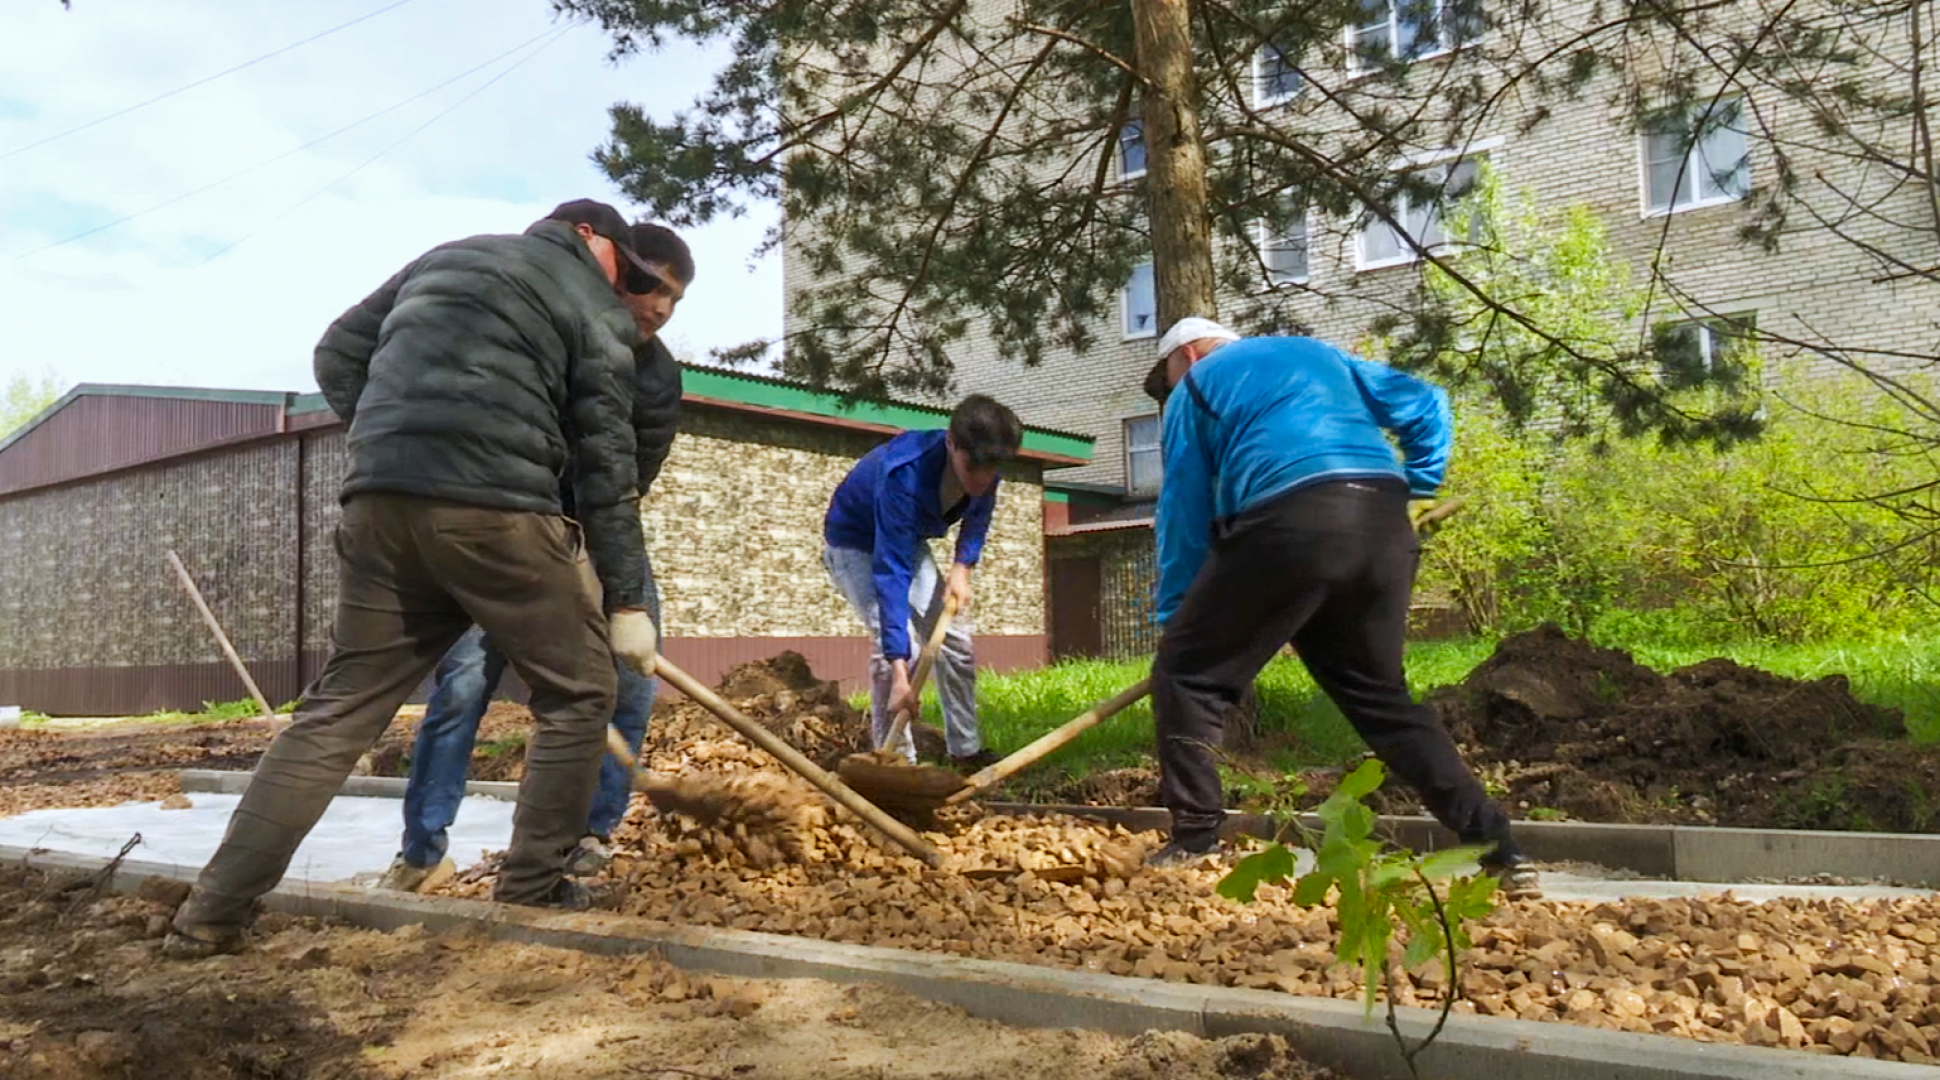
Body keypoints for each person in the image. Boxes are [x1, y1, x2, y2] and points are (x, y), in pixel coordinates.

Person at [164, 199, 664, 959]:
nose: (626, 285)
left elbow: (337, 351)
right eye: (621, 266)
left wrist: (394, 434)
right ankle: (533, 890)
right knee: (579, 693)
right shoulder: (589, 303)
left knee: (337, 713)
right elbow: (606, 459)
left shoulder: (446, 257)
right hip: (498, 515)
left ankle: (211, 911)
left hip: (378, 507)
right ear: (588, 237)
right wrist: (626, 597)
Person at [1140, 316, 1540, 900]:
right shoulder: (1318, 354)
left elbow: (1183, 507)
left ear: (1191, 354)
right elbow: (1426, 402)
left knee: (1186, 675)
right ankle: (1500, 850)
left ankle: (1196, 837)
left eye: (1168, 376)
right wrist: (1422, 484)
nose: (1170, 390)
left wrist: (1178, 613)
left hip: (1289, 522)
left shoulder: (1198, 387)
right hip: (1382, 521)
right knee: (1383, 701)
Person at [374, 223, 694, 893]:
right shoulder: (542, 324)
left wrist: (607, 582)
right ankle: (422, 852)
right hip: (504, 523)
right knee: (462, 686)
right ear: (617, 273)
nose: (660, 309)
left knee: (632, 683)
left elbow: (631, 477)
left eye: (675, 300)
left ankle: (589, 834)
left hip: (598, 531)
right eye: (654, 288)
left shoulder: (658, 376)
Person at [821, 395, 1023, 768]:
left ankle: (966, 750)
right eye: (973, 466)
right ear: (951, 442)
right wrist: (901, 673)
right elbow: (891, 571)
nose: (982, 477)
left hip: (904, 541)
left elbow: (977, 517)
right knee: (899, 652)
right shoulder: (905, 475)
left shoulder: (986, 461)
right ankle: (893, 761)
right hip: (854, 544)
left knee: (956, 638)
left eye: (991, 468)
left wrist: (963, 567)